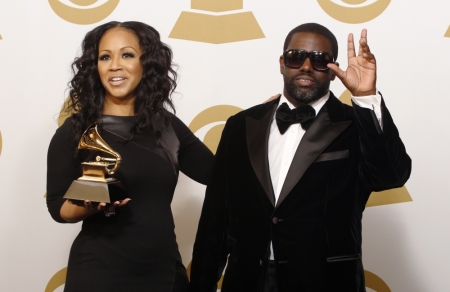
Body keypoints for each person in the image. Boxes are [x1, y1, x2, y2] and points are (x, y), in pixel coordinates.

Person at [189, 23, 411, 292]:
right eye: (296, 56)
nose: (306, 66)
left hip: (325, 283)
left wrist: (364, 96)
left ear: (333, 70)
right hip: (246, 280)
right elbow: (215, 217)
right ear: (282, 63)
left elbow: (391, 175)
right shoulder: (241, 125)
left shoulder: (354, 126)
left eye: (319, 60)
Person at [46, 21, 214, 292]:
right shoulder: (74, 130)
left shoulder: (169, 127)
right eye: (105, 57)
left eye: (127, 54)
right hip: (98, 274)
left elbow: (218, 175)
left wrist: (252, 125)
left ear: (146, 63)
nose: (114, 65)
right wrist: (89, 205)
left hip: (163, 274)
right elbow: (57, 207)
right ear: (95, 67)